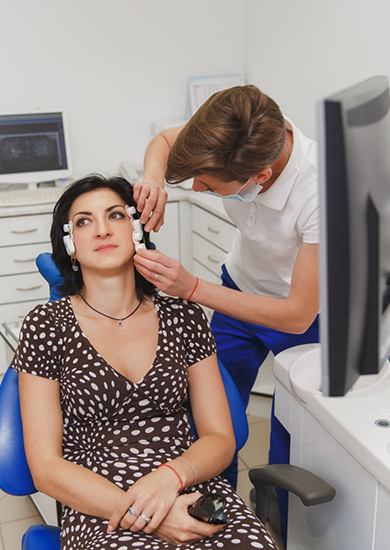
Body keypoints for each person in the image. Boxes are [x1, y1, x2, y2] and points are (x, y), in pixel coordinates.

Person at [12, 174, 278, 550]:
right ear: (70, 245)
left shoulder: (183, 316)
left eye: (116, 215)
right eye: (84, 221)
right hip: (100, 503)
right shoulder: (46, 325)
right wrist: (148, 515)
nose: (102, 229)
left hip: (187, 483)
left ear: (137, 229)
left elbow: (220, 436)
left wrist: (168, 478)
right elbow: (47, 468)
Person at [131, 85, 320, 541]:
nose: (197, 190)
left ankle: (281, 529)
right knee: (212, 414)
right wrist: (154, 179)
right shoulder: (239, 126)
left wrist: (192, 288)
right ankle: (210, 519)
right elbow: (162, 141)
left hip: (299, 316)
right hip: (239, 287)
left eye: (210, 186)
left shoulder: (319, 193)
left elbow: (296, 315)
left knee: (290, 439)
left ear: (259, 175)